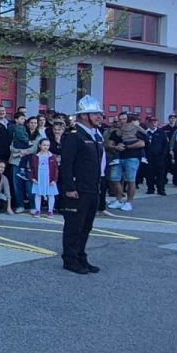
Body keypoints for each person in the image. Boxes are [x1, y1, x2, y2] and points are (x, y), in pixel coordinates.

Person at [59, 95, 106, 275]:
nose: (100, 117)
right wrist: (70, 188)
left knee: (86, 226)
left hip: (92, 187)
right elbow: (67, 164)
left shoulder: (96, 135)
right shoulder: (74, 136)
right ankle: (70, 259)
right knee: (74, 226)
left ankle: (81, 256)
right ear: (84, 116)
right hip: (78, 190)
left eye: (100, 113)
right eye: (95, 114)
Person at [107, 113, 145, 211]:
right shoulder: (116, 132)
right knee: (114, 179)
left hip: (132, 157)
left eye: (123, 119)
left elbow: (142, 143)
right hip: (117, 158)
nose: (121, 121)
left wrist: (127, 147)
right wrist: (116, 147)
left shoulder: (136, 129)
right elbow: (109, 144)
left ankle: (129, 202)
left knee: (130, 180)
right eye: (119, 119)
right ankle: (118, 200)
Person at [29, 138, 59, 217]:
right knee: (38, 194)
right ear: (40, 145)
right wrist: (33, 178)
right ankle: (38, 210)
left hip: (49, 178)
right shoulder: (36, 156)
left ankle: (50, 211)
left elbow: (56, 169)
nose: (46, 147)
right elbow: (32, 168)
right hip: (39, 177)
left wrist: (54, 180)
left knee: (51, 194)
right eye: (44, 145)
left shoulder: (52, 156)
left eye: (48, 145)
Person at [141, 116, 170, 195]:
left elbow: (165, 144)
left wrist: (163, 155)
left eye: (155, 122)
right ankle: (150, 188)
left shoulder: (161, 132)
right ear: (148, 123)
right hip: (148, 157)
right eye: (151, 122)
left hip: (159, 156)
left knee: (160, 174)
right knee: (149, 174)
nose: (153, 124)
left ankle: (161, 189)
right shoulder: (145, 132)